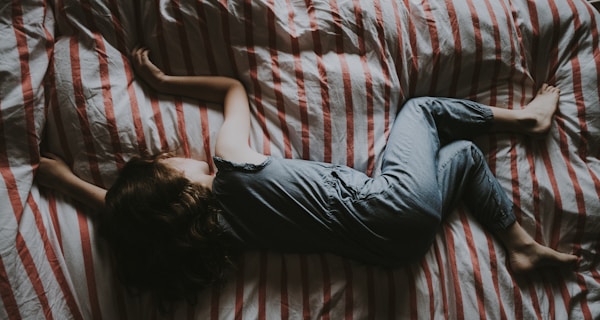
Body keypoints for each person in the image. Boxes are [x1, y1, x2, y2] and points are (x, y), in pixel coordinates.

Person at [37, 48, 579, 306]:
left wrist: (65, 183)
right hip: (393, 205)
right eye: (165, 163)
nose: (174, 154)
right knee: (421, 111)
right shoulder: (229, 167)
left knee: (463, 155)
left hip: (395, 248)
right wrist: (165, 80)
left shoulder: (228, 236)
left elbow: (129, 213)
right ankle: (526, 119)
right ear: (172, 187)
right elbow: (233, 89)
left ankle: (521, 245)